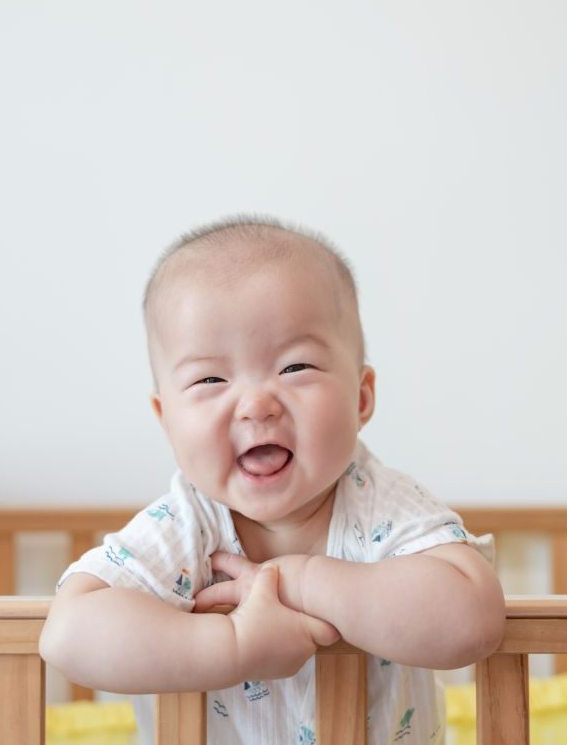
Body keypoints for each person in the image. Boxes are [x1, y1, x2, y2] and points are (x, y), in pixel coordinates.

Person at [39, 216, 505, 744]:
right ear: (165, 417)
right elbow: (68, 634)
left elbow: (472, 618)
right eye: (211, 379)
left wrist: (298, 580)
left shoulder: (383, 507)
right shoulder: (184, 525)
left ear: (361, 397)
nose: (257, 403)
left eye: (295, 367)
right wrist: (234, 644)